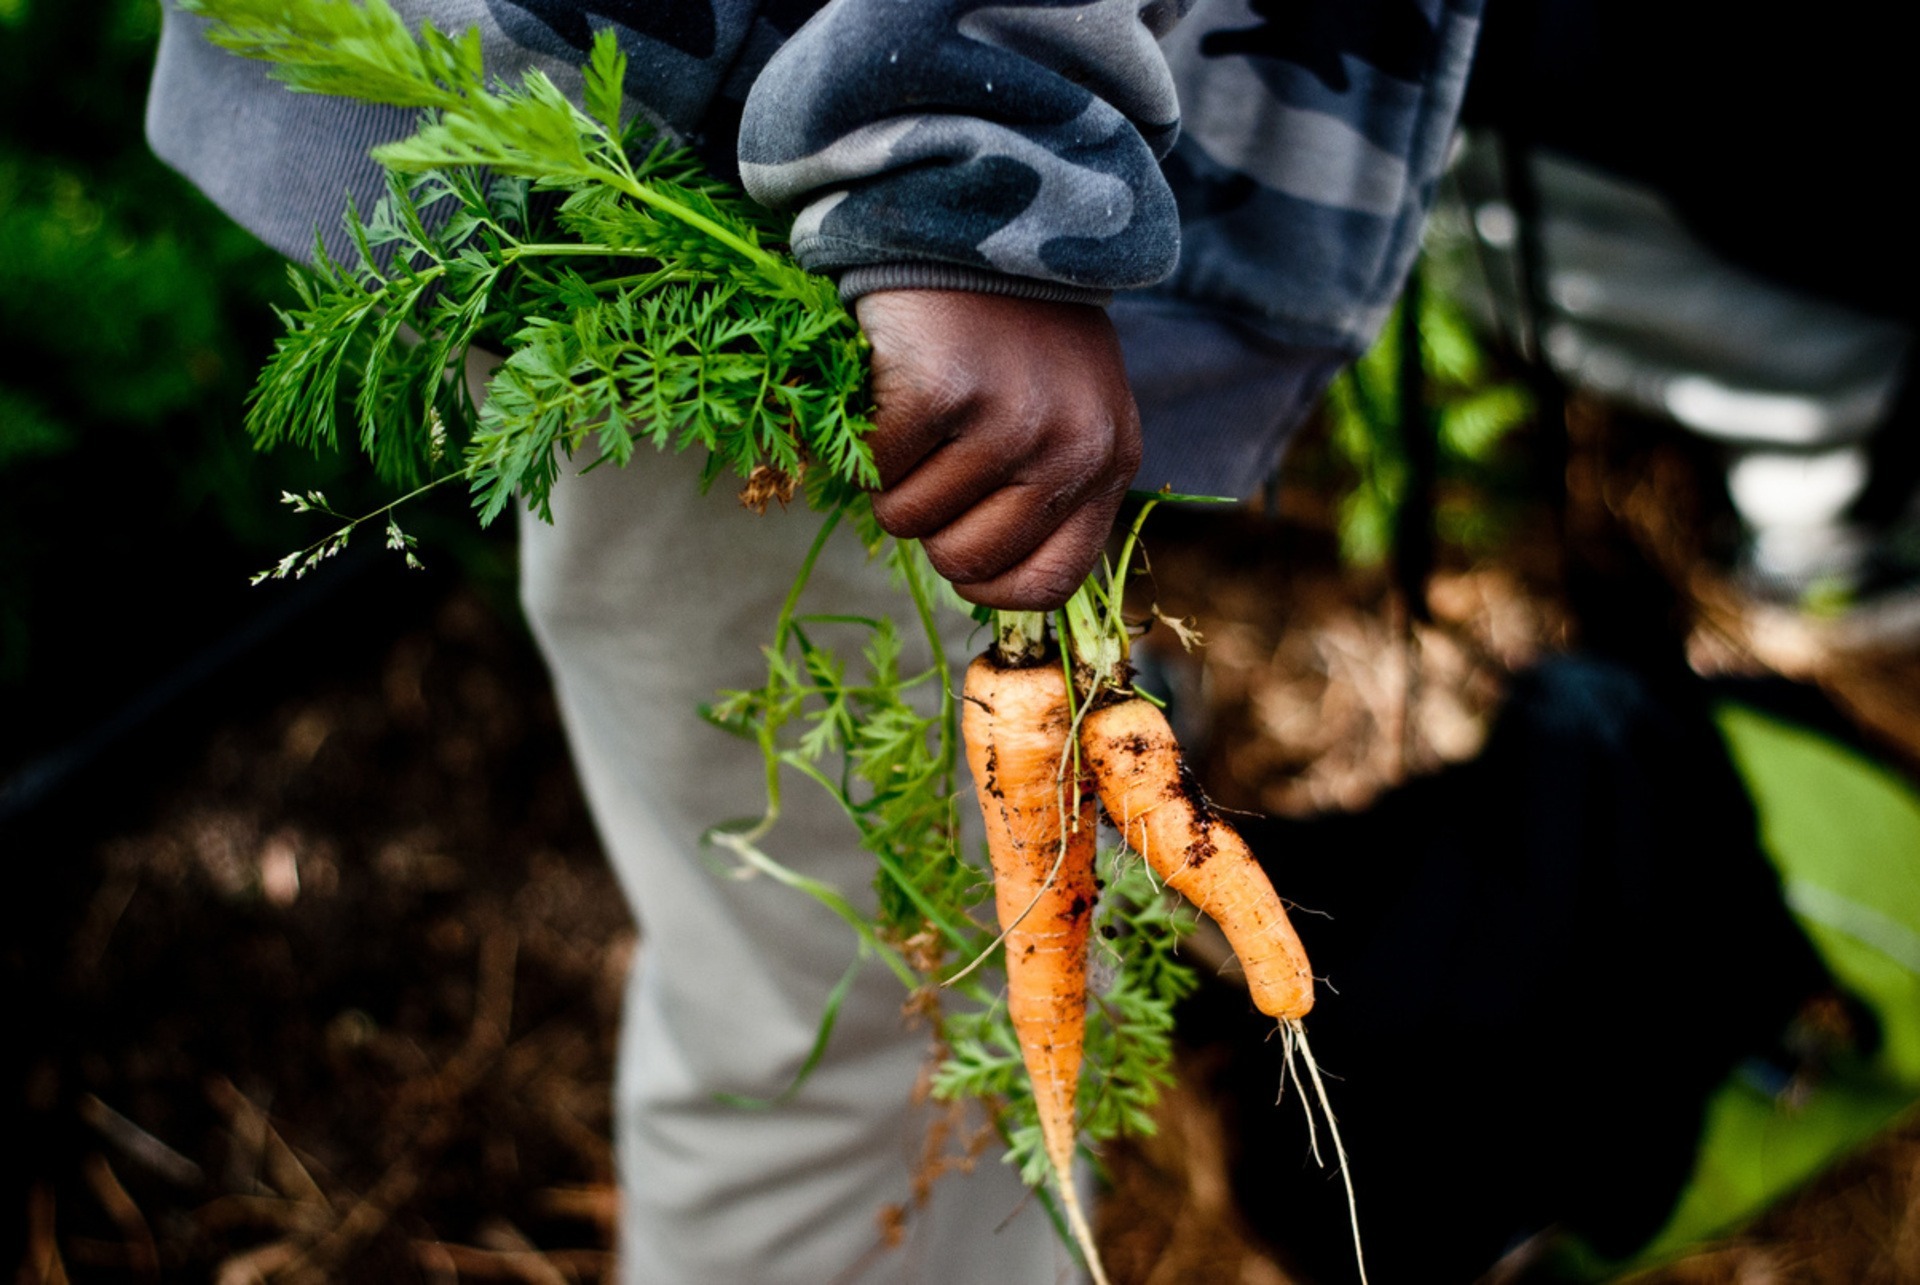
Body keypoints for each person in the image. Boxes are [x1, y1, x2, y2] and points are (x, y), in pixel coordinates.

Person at [146, 2, 1483, 1280]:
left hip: (838, 133)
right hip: (816, 200)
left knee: (941, 975)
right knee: (845, 1055)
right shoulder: (935, 188)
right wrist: (967, 169)